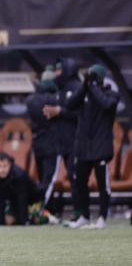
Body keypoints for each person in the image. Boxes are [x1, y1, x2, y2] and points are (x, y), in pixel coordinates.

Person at [65, 64, 120, 230]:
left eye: (92, 77)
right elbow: (69, 104)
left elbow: (105, 104)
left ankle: (102, 217)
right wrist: (84, 87)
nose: (89, 81)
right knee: (80, 182)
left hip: (101, 147)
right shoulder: (84, 94)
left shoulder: (111, 94)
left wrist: (95, 86)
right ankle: (85, 216)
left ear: (100, 79)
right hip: (83, 147)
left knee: (103, 184)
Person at [43, 58, 80, 220]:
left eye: (60, 69)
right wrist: (53, 113)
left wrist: (60, 112)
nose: (57, 73)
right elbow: (62, 112)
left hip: (76, 141)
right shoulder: (61, 89)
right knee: (70, 177)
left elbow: (82, 115)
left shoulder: (77, 88)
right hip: (62, 142)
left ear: (68, 70)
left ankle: (80, 213)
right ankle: (76, 213)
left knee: (76, 178)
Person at [25, 66, 60, 215]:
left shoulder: (31, 99)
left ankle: (48, 210)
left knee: (43, 180)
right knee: (48, 181)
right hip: (53, 145)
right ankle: (38, 211)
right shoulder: (55, 98)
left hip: (38, 144)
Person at [0, 152, 43, 226]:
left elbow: (22, 198)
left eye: (4, 166)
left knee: (34, 220)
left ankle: (48, 217)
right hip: (15, 203)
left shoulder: (19, 175)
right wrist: (0, 222)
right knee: (8, 221)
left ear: (10, 165)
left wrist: (24, 221)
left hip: (34, 200)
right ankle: (19, 219)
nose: (2, 170)